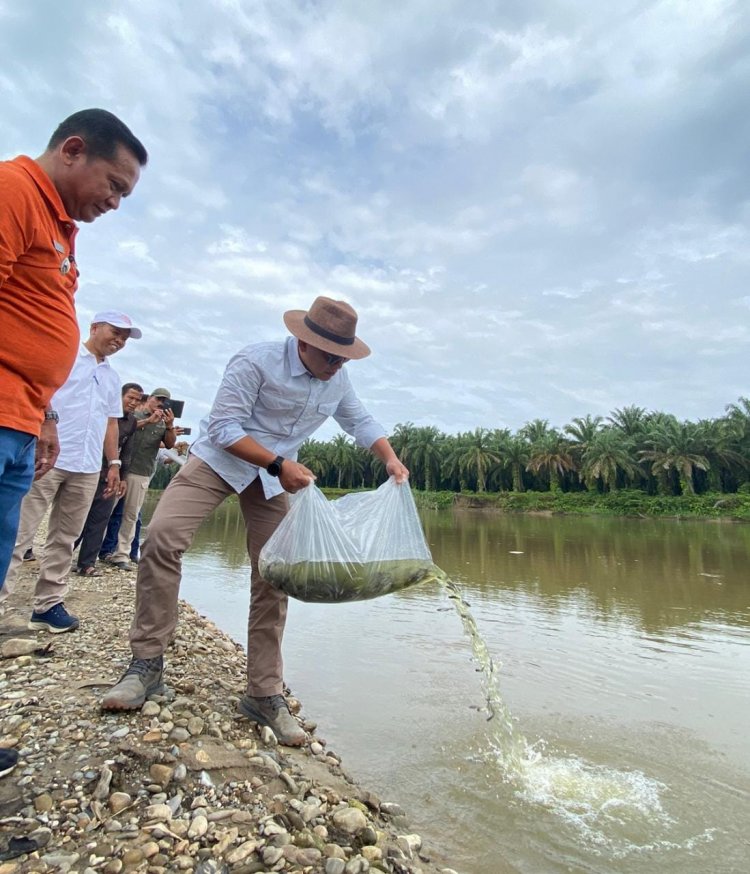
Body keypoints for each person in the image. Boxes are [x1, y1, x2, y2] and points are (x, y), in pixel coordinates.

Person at [102, 297, 409, 746]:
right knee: (162, 539)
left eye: (343, 357)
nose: (336, 365)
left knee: (274, 574)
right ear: (304, 342)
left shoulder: (336, 379)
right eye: (329, 355)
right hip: (219, 462)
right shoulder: (256, 361)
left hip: (272, 482)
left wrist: (390, 460)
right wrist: (278, 462)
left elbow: (358, 419)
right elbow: (225, 428)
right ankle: (146, 664)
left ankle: (264, 692)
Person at [0, 109, 146, 777]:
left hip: (26, 423)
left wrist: (43, 418)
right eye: (113, 186)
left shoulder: (59, 227)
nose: (114, 204)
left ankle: (43, 603)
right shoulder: (13, 192)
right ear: (73, 150)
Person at [1, 313, 142, 632]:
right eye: (114, 332)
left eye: (124, 337)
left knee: (65, 538)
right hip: (48, 458)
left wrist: (114, 464)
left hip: (88, 465)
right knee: (17, 532)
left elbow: (110, 423)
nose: (118, 340)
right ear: (94, 328)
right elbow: (39, 396)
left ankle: (48, 604)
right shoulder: (64, 358)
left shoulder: (111, 377)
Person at [75, 382, 143, 575]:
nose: (133, 403)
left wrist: (123, 477)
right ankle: (61, 558)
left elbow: (127, 452)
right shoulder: (103, 414)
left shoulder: (131, 422)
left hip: (111, 473)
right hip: (89, 469)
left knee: (100, 518)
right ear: (120, 396)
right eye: (130, 398)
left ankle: (87, 563)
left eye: (137, 400)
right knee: (78, 516)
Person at [107, 388, 176, 570]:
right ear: (149, 399)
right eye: (158, 399)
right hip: (119, 468)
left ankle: (121, 554)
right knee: (104, 511)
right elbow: (122, 430)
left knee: (131, 515)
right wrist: (147, 421)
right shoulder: (133, 414)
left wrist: (169, 426)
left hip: (141, 472)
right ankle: (92, 551)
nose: (160, 404)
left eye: (165, 401)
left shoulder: (163, 423)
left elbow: (170, 444)